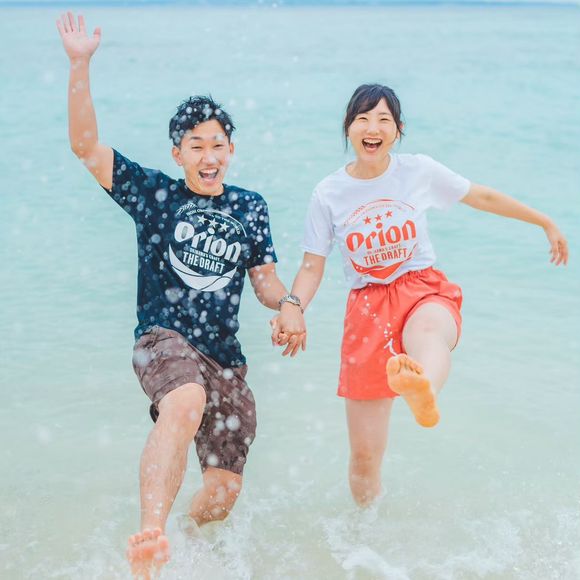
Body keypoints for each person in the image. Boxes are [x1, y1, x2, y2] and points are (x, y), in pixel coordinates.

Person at [57, 12, 305, 579]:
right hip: (162, 338)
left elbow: (265, 283)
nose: (208, 156)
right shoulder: (154, 194)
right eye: (196, 146)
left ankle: (187, 547)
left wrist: (290, 304)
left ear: (231, 150)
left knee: (222, 493)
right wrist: (80, 64)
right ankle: (150, 536)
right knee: (184, 400)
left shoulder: (250, 207)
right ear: (178, 154)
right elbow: (84, 146)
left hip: (225, 358)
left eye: (217, 145)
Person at [273, 83, 568, 507]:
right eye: (362, 119)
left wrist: (543, 221)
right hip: (367, 312)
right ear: (348, 128)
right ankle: (368, 533)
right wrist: (293, 306)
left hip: (421, 290)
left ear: (398, 130)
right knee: (364, 459)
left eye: (384, 120)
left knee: (427, 333)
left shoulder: (418, 171)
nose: (373, 128)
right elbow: (311, 266)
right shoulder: (328, 193)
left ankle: (423, 389)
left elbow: (480, 196)